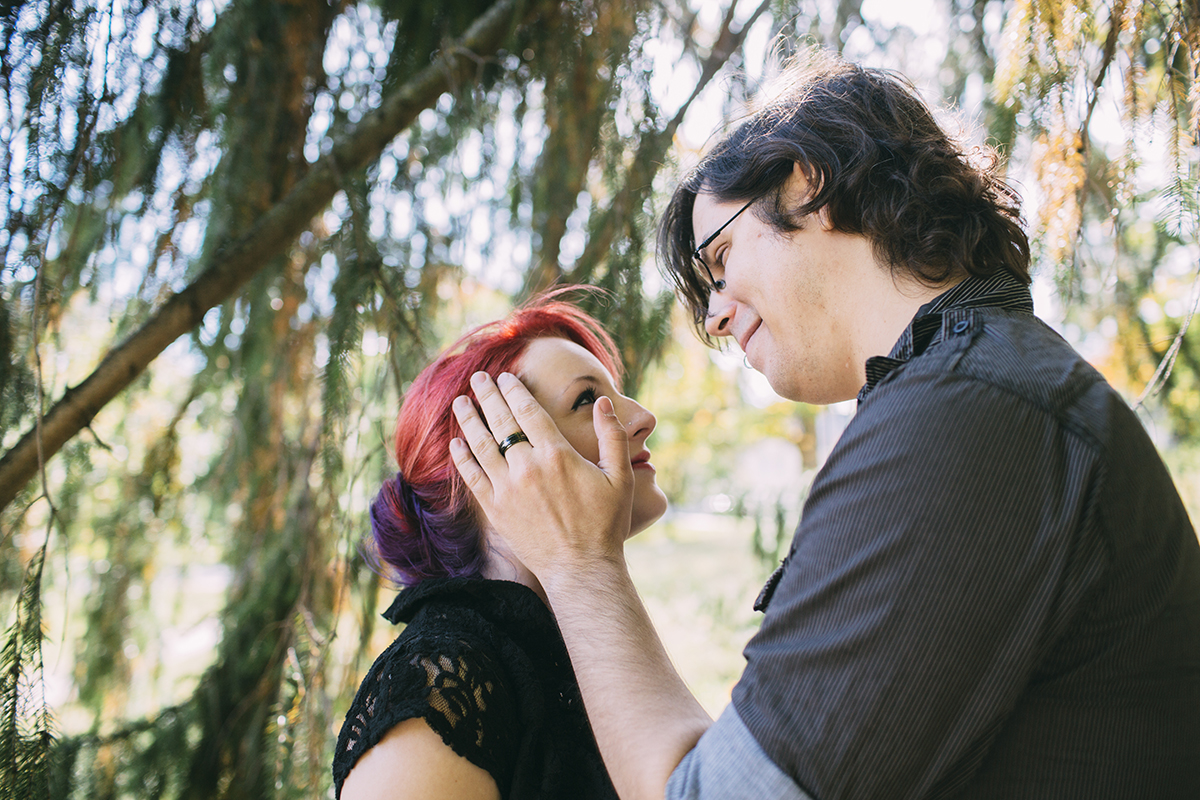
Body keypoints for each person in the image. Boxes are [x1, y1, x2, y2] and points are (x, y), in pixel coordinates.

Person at [448, 51, 1200, 800]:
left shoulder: (964, 413)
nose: (713, 314)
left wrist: (581, 565)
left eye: (721, 257)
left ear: (811, 186)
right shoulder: (973, 391)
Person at [332, 290, 668, 800]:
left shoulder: (578, 645)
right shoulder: (440, 686)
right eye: (587, 400)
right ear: (490, 467)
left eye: (617, 395)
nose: (642, 416)